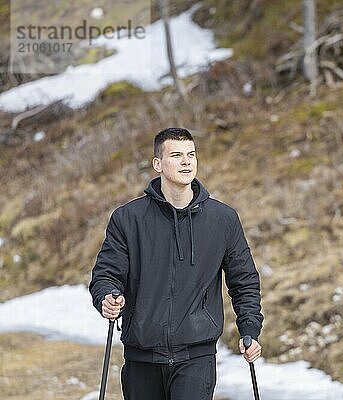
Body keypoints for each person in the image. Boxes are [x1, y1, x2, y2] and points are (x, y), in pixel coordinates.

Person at [89, 127, 264, 400]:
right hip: (141, 357)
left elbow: (244, 282)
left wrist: (250, 328)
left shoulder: (223, 220)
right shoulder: (128, 219)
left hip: (196, 356)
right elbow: (106, 274)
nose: (186, 161)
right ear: (157, 164)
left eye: (191, 154)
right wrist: (107, 298)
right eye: (177, 155)